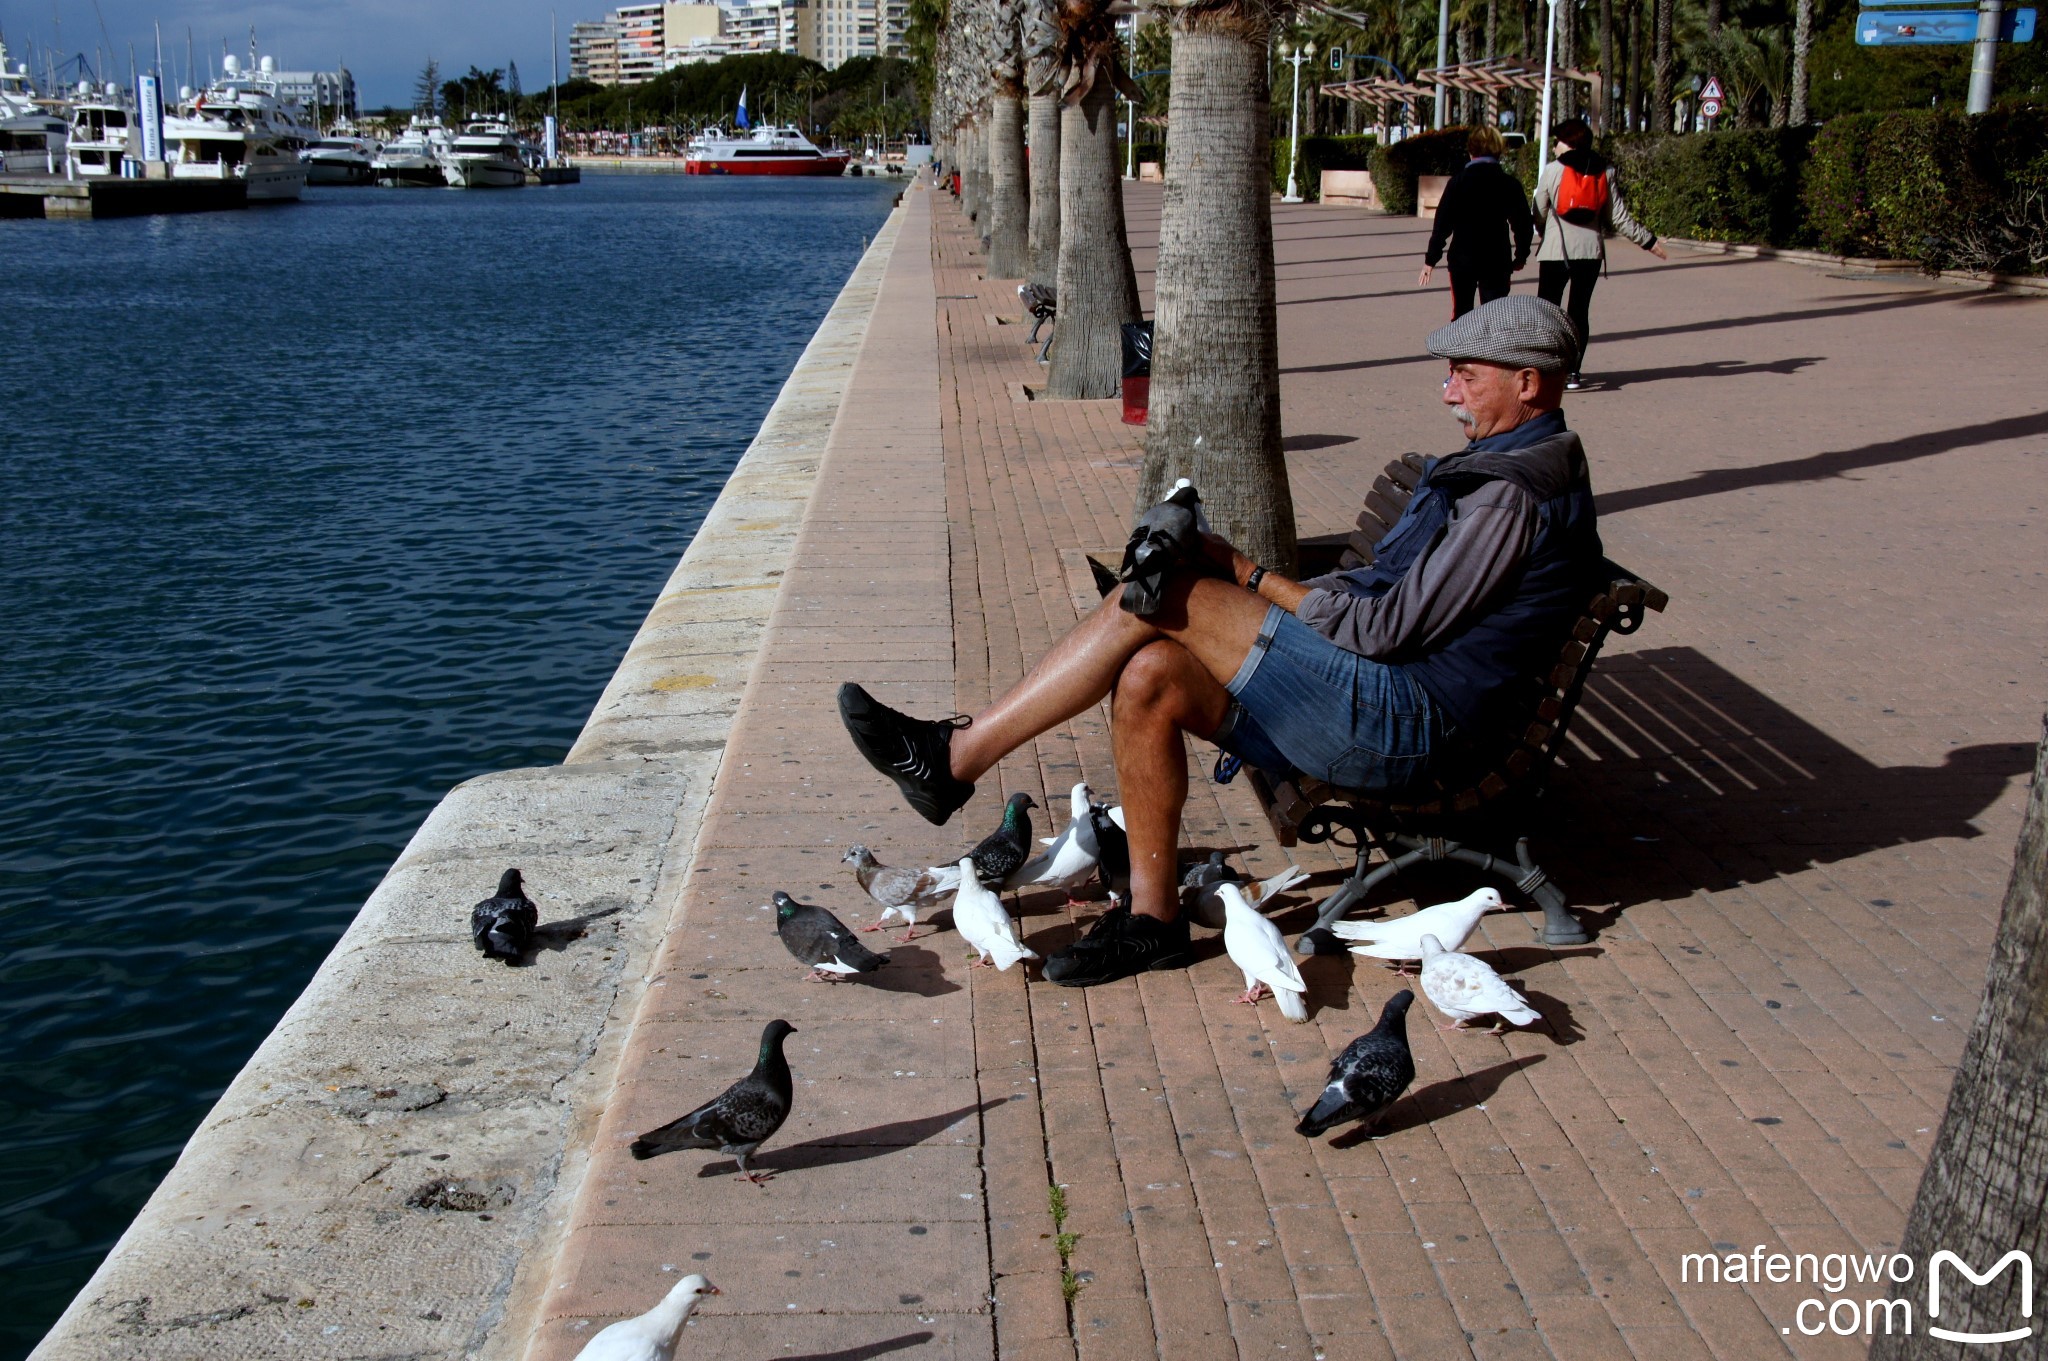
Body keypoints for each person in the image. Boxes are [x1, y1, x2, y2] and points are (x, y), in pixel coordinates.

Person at [838, 296, 1604, 989]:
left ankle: (955, 757)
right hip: (1385, 696)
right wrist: (1253, 581)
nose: (1449, 391)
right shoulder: (1501, 471)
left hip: (1409, 729)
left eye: (1467, 376)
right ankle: (1154, 920)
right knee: (1150, 672)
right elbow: (1378, 600)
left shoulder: (1512, 495)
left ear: (1530, 384)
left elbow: (1382, 630)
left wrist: (1242, 572)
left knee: (1172, 591)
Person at [1531, 117, 1668, 390]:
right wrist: (1648, 241)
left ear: (1568, 143)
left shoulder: (1552, 170)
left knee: (1546, 310)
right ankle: (1573, 372)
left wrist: (1541, 232)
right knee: (1579, 312)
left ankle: (1545, 368)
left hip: (1556, 252)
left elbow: (1538, 211)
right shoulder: (1604, 171)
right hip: (1590, 253)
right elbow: (1618, 216)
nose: (1554, 146)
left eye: (1557, 141)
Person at [1418, 125, 1533, 318]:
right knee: (1494, 314)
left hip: (1463, 258)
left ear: (1471, 151)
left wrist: (1431, 260)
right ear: (1499, 151)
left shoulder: (1458, 182)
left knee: (1462, 313)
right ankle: (1491, 347)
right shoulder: (1509, 184)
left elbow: (1442, 225)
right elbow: (1522, 224)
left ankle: (1462, 347)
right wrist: (1521, 255)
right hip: (1497, 258)